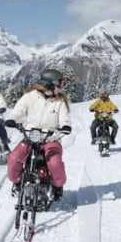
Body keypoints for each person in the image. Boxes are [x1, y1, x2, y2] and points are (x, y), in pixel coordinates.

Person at [5, 69, 71, 201]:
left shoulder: (60, 102)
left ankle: (57, 185)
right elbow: (18, 110)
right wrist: (12, 119)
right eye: (60, 84)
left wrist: (65, 126)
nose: (61, 87)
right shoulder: (30, 96)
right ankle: (17, 182)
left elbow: (65, 118)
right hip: (30, 137)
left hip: (51, 139)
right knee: (14, 158)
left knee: (54, 163)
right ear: (50, 84)